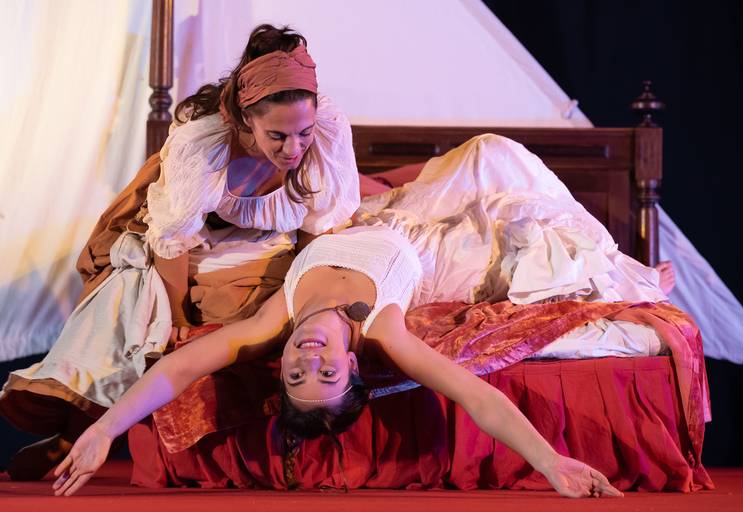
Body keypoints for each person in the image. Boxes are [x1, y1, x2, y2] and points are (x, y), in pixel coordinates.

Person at [48, 135, 657, 498]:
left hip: (366, 218)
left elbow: (178, 371)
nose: (309, 358)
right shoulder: (385, 331)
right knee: (500, 163)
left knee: (482, 161)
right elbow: (478, 399)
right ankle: (629, 270)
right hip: (426, 247)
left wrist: (104, 430)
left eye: (296, 374)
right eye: (327, 374)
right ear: (351, 365)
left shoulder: (273, 321)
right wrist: (551, 462)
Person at [0, 24, 359, 480]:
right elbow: (172, 240)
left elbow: (320, 225)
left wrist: (305, 288)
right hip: (194, 241)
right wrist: (176, 316)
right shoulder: (203, 143)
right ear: (247, 119)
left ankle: (85, 430)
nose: (294, 149)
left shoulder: (327, 128)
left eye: (302, 133)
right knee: (136, 299)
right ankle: (78, 424)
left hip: (273, 242)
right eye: (278, 136)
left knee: (254, 305)